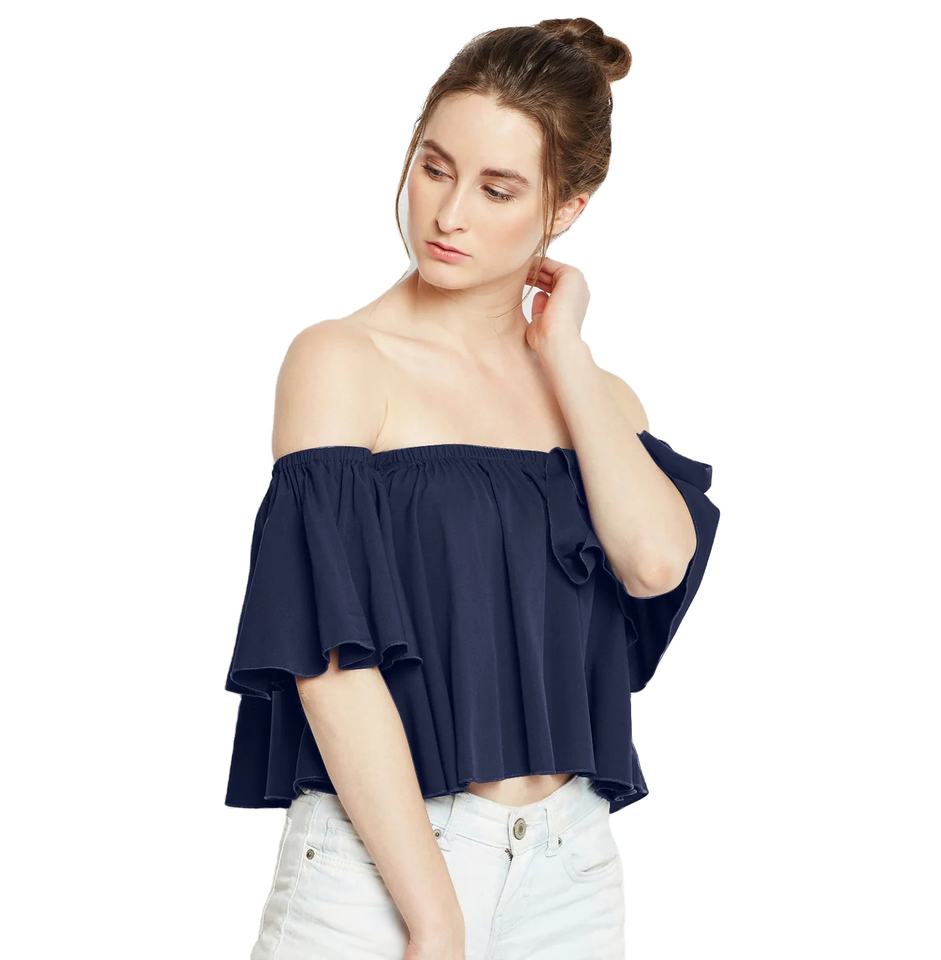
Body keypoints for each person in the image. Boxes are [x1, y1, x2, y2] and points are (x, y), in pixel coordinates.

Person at [223, 16, 720, 960]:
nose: (447, 214)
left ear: (565, 208)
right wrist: (435, 918)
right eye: (433, 168)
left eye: (496, 189)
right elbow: (332, 663)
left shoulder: (597, 396)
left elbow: (655, 563)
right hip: (378, 874)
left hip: (570, 868)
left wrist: (563, 351)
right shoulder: (341, 361)